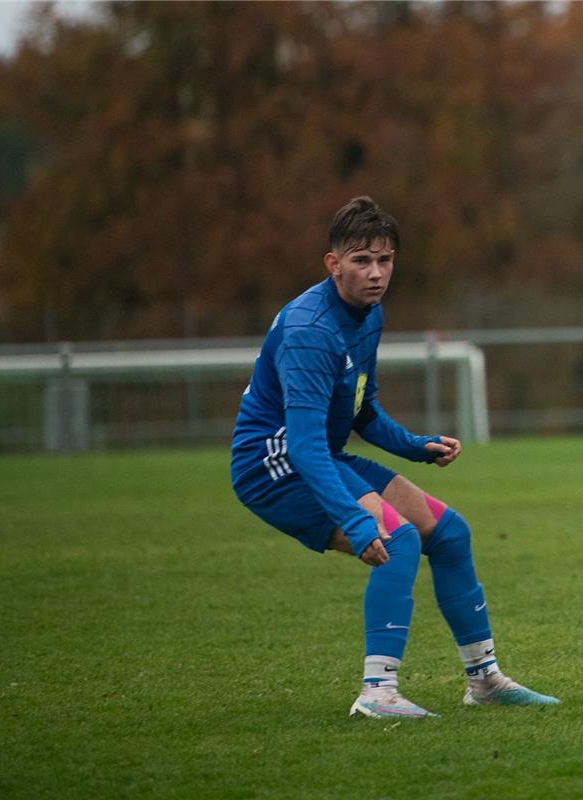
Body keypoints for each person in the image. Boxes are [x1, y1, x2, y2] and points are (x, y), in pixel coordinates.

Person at [231, 196, 558, 718]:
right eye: (361, 261)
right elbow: (306, 444)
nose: (376, 273)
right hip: (274, 465)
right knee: (395, 539)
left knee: (450, 533)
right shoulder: (311, 330)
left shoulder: (368, 314)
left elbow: (361, 410)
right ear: (332, 264)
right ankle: (377, 693)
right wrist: (355, 524)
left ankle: (485, 680)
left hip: (319, 453)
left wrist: (414, 445)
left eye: (384, 260)